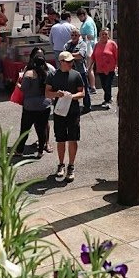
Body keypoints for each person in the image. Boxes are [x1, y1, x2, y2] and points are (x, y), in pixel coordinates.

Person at [46, 51, 86, 182]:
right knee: (60, 139)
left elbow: (82, 93)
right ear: (61, 62)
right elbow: (47, 93)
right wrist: (57, 94)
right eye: (68, 61)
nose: (70, 63)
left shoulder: (76, 75)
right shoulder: (52, 75)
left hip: (73, 111)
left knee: (73, 139)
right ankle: (61, 164)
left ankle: (71, 165)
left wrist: (71, 96)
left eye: (71, 61)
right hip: (59, 112)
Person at [15, 48, 53, 158]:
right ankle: (40, 151)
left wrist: (17, 83)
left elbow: (24, 89)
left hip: (30, 106)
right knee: (42, 129)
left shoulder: (29, 74)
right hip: (44, 105)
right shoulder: (47, 73)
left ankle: (20, 150)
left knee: (25, 129)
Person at [63, 27, 93, 114]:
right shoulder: (67, 44)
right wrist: (72, 55)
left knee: (84, 90)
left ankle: (87, 106)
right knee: (69, 90)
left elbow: (80, 55)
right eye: (72, 35)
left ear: (79, 36)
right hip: (69, 71)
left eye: (76, 35)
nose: (74, 36)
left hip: (80, 71)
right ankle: (70, 107)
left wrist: (69, 55)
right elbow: (63, 55)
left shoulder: (83, 44)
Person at [91, 28, 118, 107]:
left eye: (105, 34)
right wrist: (90, 67)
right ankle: (109, 96)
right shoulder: (97, 45)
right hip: (100, 69)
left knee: (107, 84)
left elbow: (117, 56)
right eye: (102, 34)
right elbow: (93, 56)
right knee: (103, 85)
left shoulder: (112, 44)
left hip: (110, 68)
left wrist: (117, 66)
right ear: (99, 35)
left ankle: (107, 100)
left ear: (108, 35)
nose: (104, 36)